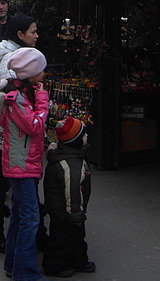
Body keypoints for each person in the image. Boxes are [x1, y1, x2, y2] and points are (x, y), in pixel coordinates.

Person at [0, 47, 49, 281]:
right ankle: (26, 273)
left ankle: (14, 264)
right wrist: (43, 101)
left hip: (20, 162)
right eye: (40, 69)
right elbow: (34, 125)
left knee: (20, 214)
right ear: (30, 72)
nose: (43, 74)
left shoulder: (16, 94)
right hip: (21, 165)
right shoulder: (19, 99)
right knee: (30, 217)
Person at [0, 14, 41, 252]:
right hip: (17, 137)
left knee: (5, 181)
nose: (37, 36)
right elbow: (30, 121)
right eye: (33, 32)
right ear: (20, 35)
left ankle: (4, 237)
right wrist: (41, 99)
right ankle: (1, 235)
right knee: (6, 183)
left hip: (16, 137)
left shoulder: (20, 53)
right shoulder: (12, 60)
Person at [42, 117, 95, 278]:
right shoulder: (71, 165)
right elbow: (72, 191)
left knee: (76, 236)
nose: (87, 137)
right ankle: (54, 266)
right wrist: (75, 214)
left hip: (64, 209)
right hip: (66, 211)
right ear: (76, 141)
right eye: (84, 135)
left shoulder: (68, 156)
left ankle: (79, 260)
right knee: (62, 240)